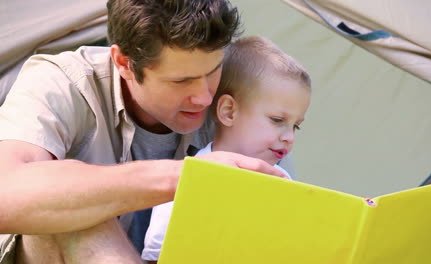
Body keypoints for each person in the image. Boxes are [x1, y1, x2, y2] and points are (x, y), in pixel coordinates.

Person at [0, 1, 289, 264]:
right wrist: (184, 177)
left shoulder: (236, 98)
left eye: (213, 70)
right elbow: (5, 194)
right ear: (124, 63)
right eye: (182, 81)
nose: (204, 97)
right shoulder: (63, 82)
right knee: (78, 211)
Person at [141, 35, 312, 263]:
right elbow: (156, 256)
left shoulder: (283, 181)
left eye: (296, 127)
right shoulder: (189, 176)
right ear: (229, 111)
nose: (289, 137)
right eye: (277, 119)